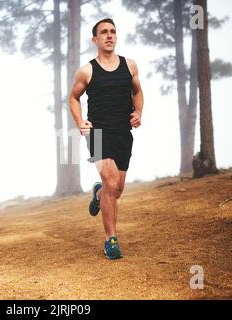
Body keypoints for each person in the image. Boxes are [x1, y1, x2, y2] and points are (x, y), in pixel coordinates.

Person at [69, 18, 144, 260]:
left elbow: (138, 92)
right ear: (95, 39)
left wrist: (138, 112)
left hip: (123, 132)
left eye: (113, 31)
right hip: (98, 133)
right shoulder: (87, 70)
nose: (109, 36)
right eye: (104, 32)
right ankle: (111, 239)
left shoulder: (130, 66)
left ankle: (99, 193)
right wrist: (80, 122)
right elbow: (73, 98)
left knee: (117, 189)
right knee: (112, 183)